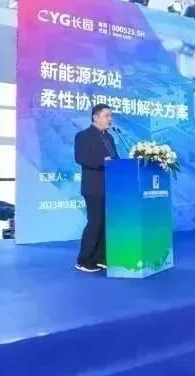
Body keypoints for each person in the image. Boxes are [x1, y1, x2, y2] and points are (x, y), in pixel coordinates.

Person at [74, 103, 120, 272]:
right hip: (94, 187)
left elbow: (115, 159)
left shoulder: (110, 137)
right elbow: (80, 158)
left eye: (111, 115)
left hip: (111, 187)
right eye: (107, 115)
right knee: (95, 223)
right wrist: (103, 162)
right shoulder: (83, 136)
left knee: (107, 223)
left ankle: (100, 258)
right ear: (95, 117)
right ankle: (84, 260)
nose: (110, 119)